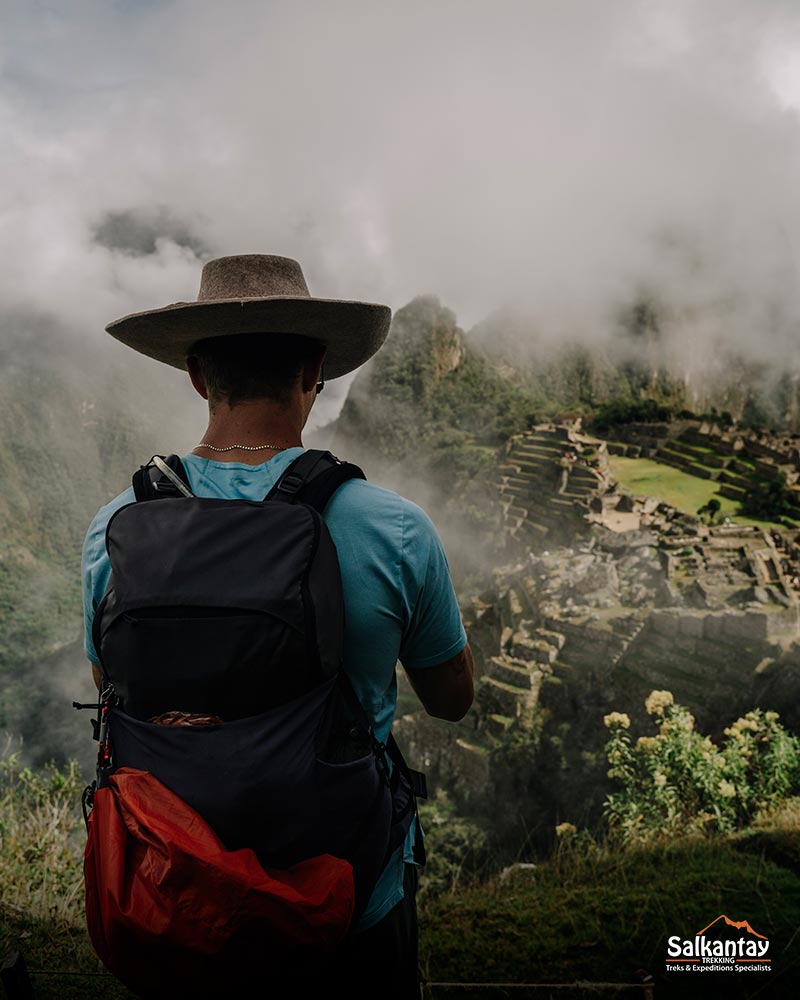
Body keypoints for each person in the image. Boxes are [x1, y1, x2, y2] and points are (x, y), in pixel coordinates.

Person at [81, 253, 474, 997]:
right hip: (346, 899)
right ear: (316, 371)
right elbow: (453, 698)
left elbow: (110, 684)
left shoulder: (115, 528)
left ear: (197, 377)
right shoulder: (393, 528)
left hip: (175, 893)